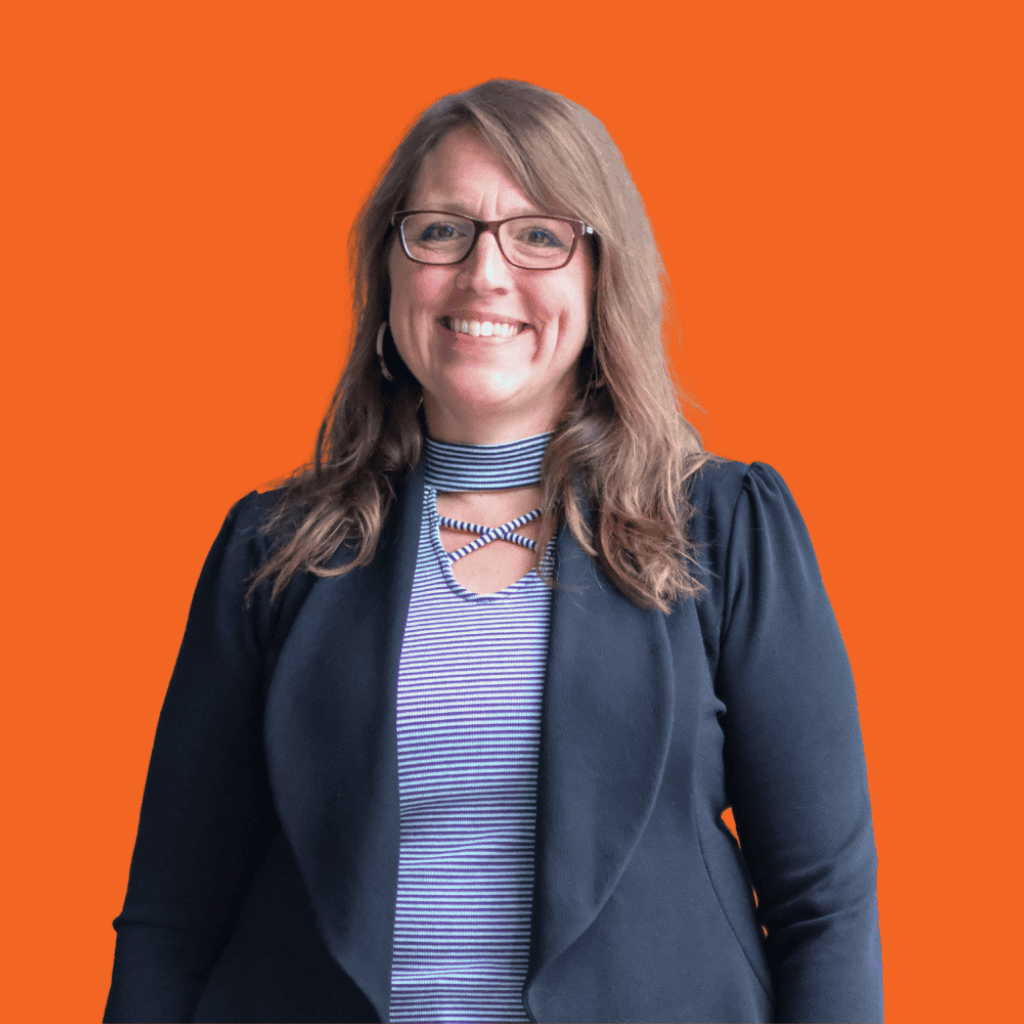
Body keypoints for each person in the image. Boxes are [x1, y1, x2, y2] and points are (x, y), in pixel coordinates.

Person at [103, 79, 883, 1023]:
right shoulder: (273, 554)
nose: (485, 274)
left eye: (539, 235)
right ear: (390, 269)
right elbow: (171, 919)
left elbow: (823, 909)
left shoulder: (722, 528)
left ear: (601, 273)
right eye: (440, 231)